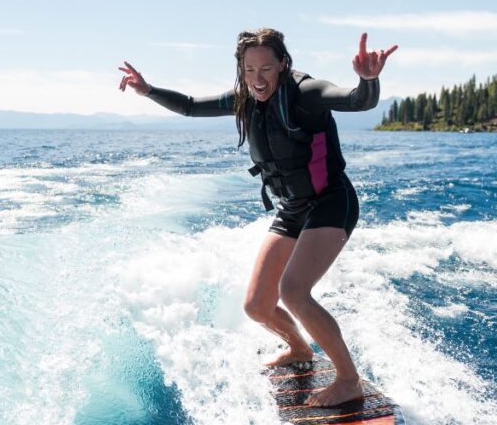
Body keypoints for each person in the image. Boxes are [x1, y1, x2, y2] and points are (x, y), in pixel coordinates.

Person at [118, 29, 397, 406]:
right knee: (256, 307)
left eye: (267, 68)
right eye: (250, 70)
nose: (258, 78)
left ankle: (349, 379)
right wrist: (148, 90)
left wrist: (368, 80)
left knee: (294, 292)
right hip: (293, 209)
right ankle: (299, 349)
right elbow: (188, 105)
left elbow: (356, 101)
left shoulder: (307, 93)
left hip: (332, 202)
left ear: (283, 64)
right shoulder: (243, 100)